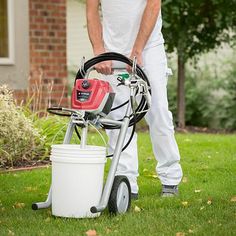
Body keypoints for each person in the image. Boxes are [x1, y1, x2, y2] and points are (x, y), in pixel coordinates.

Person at [86, 0, 183, 198]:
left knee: (158, 112)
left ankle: (170, 177)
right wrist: (99, 50)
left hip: (149, 48)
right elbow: (91, 10)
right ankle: (126, 181)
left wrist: (138, 49)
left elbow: (154, 5)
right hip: (114, 50)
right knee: (118, 117)